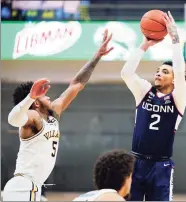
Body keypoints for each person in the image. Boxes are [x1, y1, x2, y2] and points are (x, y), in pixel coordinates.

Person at [3, 29, 113, 201]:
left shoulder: (53, 113)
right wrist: (30, 96)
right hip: (23, 187)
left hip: (33, 187)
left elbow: (77, 84)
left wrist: (97, 55)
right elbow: (13, 120)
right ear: (36, 102)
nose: (48, 95)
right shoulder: (33, 116)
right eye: (42, 95)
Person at [121, 11, 186, 201]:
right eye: (158, 71)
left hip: (161, 166)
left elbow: (180, 68)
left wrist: (175, 38)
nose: (158, 73)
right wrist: (144, 45)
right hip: (136, 162)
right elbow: (126, 73)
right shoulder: (144, 91)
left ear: (175, 79)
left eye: (165, 71)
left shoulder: (179, 97)